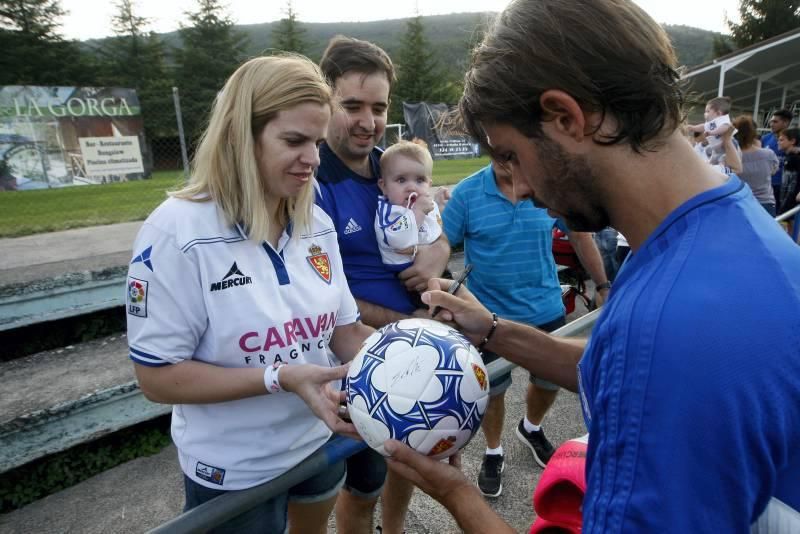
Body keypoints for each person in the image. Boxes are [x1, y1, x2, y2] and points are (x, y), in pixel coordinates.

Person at [385, 0, 800, 531]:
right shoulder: (734, 229)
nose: (521, 187)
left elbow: (652, 362)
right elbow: (620, 369)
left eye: (511, 154)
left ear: (567, 117)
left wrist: (458, 494)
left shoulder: (671, 325)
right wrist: (493, 330)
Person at [126, 55, 374, 533]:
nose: (314, 159)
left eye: (318, 142)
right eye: (294, 141)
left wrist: (419, 353)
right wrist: (278, 377)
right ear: (242, 134)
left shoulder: (315, 223)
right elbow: (156, 379)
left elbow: (345, 333)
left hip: (317, 440)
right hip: (234, 469)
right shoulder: (176, 231)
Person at [315, 35, 451, 534]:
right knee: (361, 482)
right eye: (352, 105)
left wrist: (435, 255)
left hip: (405, 350)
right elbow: (323, 297)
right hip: (351, 361)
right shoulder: (314, 185)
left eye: (378, 106)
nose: (368, 122)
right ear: (325, 98)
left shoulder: (389, 168)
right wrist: (404, 325)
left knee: (406, 456)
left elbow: (436, 228)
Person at [440, 159, 609, 498]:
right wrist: (441, 288)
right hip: (486, 318)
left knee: (550, 381)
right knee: (492, 391)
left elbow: (579, 235)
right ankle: (493, 451)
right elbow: (441, 244)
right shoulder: (468, 193)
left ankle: (531, 427)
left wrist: (603, 285)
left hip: (545, 307)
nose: (508, 161)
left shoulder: (544, 183)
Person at [375, 140, 442, 270]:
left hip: (430, 264)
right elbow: (395, 239)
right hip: (402, 269)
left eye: (420, 180)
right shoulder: (388, 211)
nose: (411, 187)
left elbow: (434, 230)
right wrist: (418, 213)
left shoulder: (424, 204)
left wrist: (439, 206)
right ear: (384, 187)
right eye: (401, 180)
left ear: (429, 184)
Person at [734, 115, 779, 216]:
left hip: (740, 202)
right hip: (765, 202)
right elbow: (773, 171)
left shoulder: (729, 158)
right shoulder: (768, 154)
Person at [687, 96, 735, 165]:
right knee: (712, 161)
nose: (705, 114)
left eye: (708, 111)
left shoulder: (723, 120)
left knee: (723, 160)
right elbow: (703, 126)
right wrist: (692, 127)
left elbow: (725, 127)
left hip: (727, 148)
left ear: (718, 113)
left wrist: (712, 132)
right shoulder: (712, 122)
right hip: (717, 148)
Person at [761, 109, 793, 205]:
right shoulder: (765, 138)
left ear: (786, 123)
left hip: (785, 187)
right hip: (767, 185)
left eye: (775, 121)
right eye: (771, 121)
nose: (771, 124)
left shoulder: (795, 140)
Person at [778, 128, 800, 231]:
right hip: (786, 196)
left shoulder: (797, 158)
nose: (779, 142)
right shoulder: (789, 156)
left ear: (792, 141)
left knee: (794, 227)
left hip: (794, 198)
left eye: (782, 140)